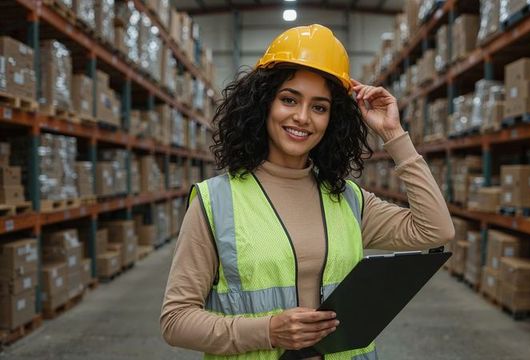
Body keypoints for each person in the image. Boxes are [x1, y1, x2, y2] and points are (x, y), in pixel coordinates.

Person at [161, 24, 454, 359]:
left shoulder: (347, 199)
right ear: (263, 104)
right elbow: (176, 320)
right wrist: (268, 331)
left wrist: (393, 133)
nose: (302, 117)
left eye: (319, 107)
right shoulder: (216, 203)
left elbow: (436, 230)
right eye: (289, 100)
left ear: (333, 119)